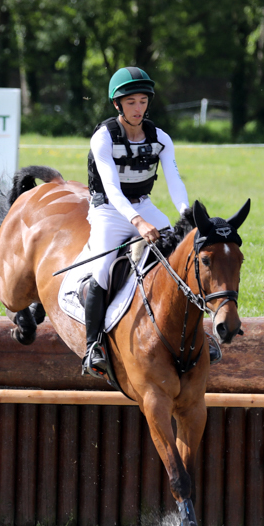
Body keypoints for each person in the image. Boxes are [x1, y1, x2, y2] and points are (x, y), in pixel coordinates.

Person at [81, 67, 190, 379]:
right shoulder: (103, 137)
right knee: (101, 269)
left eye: (143, 101)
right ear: (117, 105)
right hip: (108, 211)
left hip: (144, 205)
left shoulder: (161, 138)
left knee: (181, 257)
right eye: (131, 102)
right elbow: (112, 190)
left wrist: (185, 216)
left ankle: (194, 334)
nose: (138, 108)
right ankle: (94, 346)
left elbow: (175, 182)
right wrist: (138, 222)